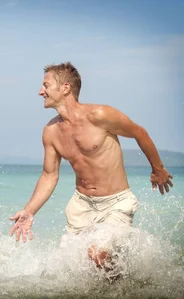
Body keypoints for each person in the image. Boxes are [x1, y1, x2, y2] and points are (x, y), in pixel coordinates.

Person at [9, 62, 174, 276]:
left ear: (65, 88)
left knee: (97, 255)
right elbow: (49, 175)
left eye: (46, 85)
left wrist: (158, 168)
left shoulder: (100, 115)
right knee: (78, 268)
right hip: (81, 206)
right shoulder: (50, 131)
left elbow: (139, 133)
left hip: (116, 202)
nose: (41, 91)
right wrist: (29, 210)